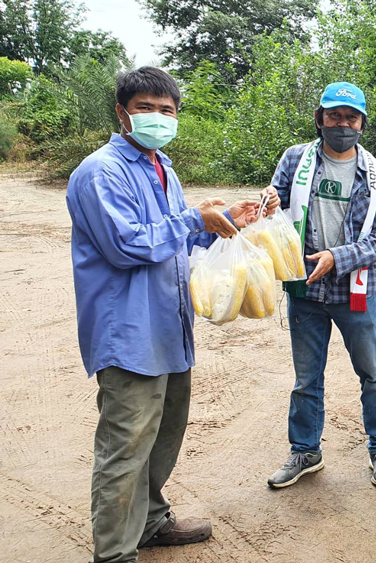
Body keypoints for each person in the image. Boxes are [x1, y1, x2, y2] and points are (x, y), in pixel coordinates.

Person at [66, 67, 260, 562]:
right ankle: (114, 553)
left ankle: (150, 521)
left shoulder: (163, 169)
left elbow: (176, 242)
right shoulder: (101, 171)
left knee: (164, 434)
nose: (157, 117)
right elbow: (126, 244)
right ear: (122, 113)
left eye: (167, 110)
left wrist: (222, 224)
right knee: (125, 444)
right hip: (127, 331)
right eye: (145, 108)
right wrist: (194, 218)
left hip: (169, 328)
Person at [261, 82, 376, 489]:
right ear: (320, 119)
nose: (343, 124)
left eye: (351, 117)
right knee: (307, 378)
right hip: (304, 288)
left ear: (362, 123)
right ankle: (305, 451)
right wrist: (269, 199)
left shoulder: (375, 175)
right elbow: (276, 205)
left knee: (372, 373)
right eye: (334, 116)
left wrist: (337, 257)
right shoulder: (296, 159)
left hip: (352, 290)